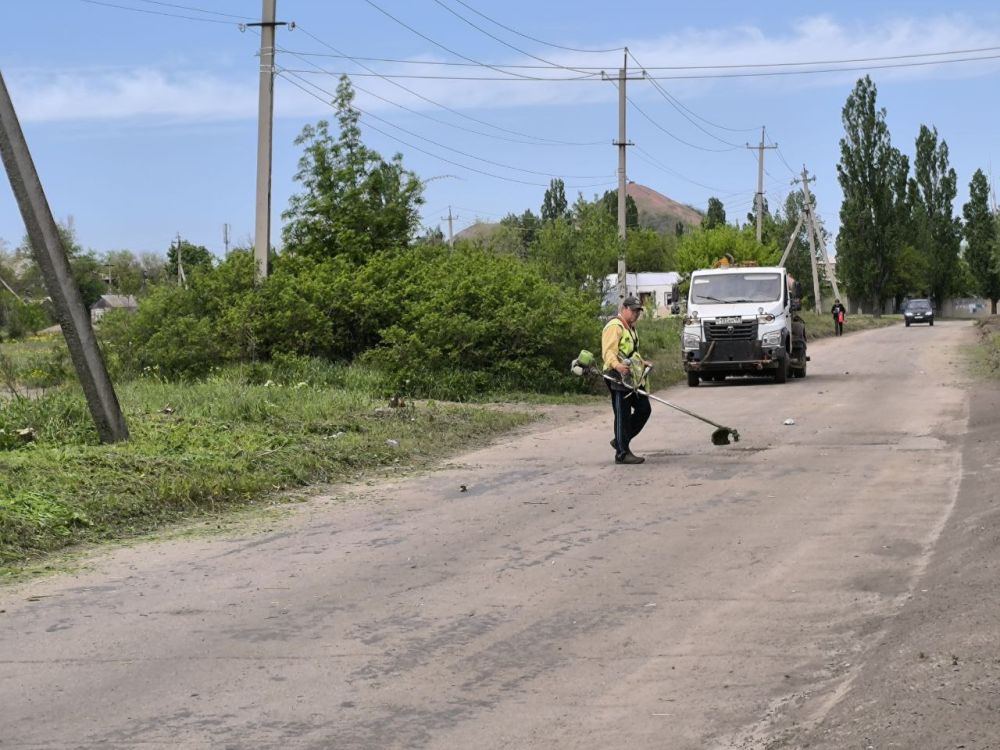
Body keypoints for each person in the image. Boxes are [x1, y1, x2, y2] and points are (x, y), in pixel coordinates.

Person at [602, 296, 652, 464]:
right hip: (616, 375)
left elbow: (631, 353)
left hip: (632, 376)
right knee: (622, 413)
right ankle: (622, 453)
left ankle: (620, 440)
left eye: (638, 311)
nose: (636, 314)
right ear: (624, 309)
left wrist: (642, 363)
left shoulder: (631, 327)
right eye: (633, 310)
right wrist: (617, 366)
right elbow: (609, 351)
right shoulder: (614, 326)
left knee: (644, 408)